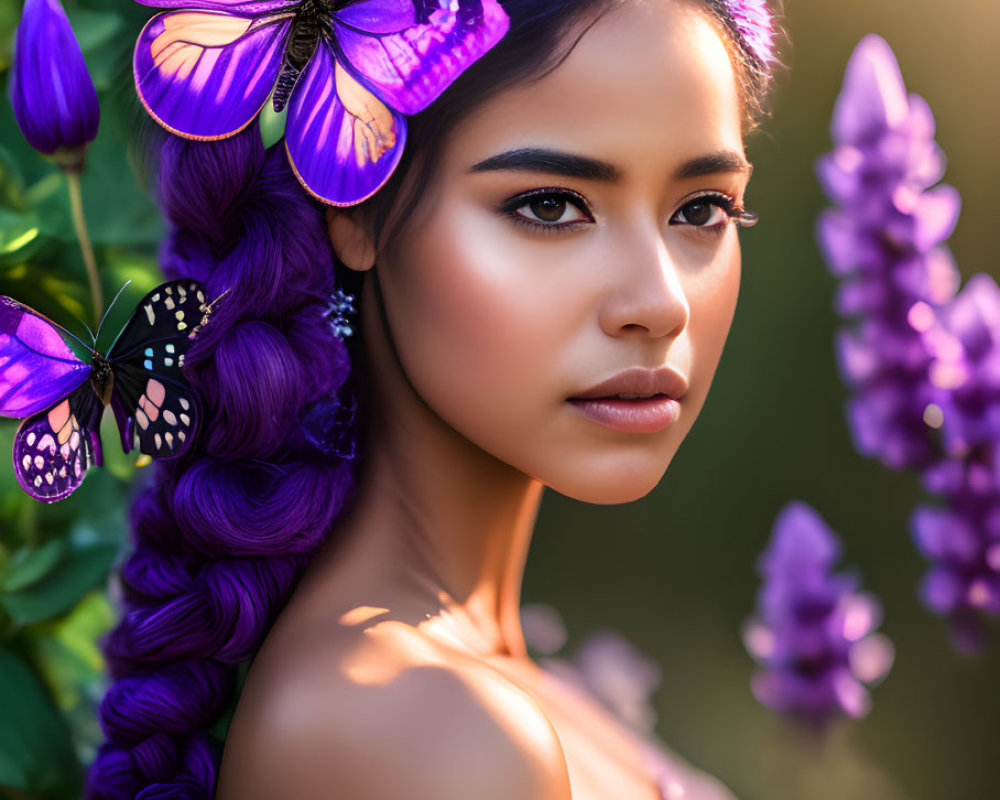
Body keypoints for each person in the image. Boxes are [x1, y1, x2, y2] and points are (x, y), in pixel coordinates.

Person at [87, 1, 777, 798]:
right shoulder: (418, 732)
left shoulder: (485, 689)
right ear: (358, 208)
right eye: (550, 205)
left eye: (703, 210)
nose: (660, 304)